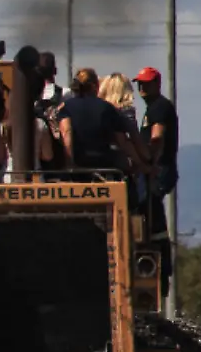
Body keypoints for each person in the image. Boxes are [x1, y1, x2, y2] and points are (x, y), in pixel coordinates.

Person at [60, 68, 141, 172]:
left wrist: (69, 163)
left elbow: (67, 132)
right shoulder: (107, 108)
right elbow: (122, 141)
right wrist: (139, 163)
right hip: (104, 163)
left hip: (79, 161)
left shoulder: (67, 106)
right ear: (94, 86)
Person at [135, 66, 179, 241]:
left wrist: (148, 162)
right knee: (149, 210)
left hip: (158, 169)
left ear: (157, 84)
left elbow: (157, 137)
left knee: (150, 209)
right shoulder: (153, 108)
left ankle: (159, 250)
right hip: (156, 169)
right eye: (140, 84)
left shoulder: (159, 107)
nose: (142, 88)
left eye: (146, 84)